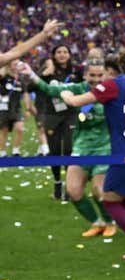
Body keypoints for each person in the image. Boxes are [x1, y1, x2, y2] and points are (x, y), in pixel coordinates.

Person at [60, 50, 125, 262]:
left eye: (103, 73)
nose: (100, 78)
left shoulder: (112, 85)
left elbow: (76, 102)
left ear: (110, 71)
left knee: (110, 201)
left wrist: (65, 94)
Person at [19, 57, 117, 237]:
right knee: (73, 191)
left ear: (106, 75)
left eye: (100, 75)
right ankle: (97, 223)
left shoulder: (111, 91)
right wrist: (31, 74)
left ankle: (110, 221)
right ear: (85, 75)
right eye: (92, 75)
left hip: (105, 147)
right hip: (81, 146)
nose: (96, 79)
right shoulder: (78, 89)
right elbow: (50, 89)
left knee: (99, 191)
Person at [35, 39, 80, 200]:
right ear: (53, 55)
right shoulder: (47, 70)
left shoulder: (75, 72)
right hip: (52, 115)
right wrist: (44, 73)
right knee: (54, 151)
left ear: (69, 55)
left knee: (69, 149)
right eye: (59, 52)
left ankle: (69, 186)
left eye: (65, 52)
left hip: (70, 115)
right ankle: (57, 182)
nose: (62, 55)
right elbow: (33, 86)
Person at [0, 62, 27, 157]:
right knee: (4, 131)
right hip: (4, 108)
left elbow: (25, 94)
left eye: (18, 63)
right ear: (9, 65)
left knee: (20, 128)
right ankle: (2, 152)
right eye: (14, 63)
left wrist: (28, 109)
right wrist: (4, 65)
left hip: (17, 109)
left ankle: (16, 151)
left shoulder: (20, 79)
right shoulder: (4, 76)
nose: (16, 65)